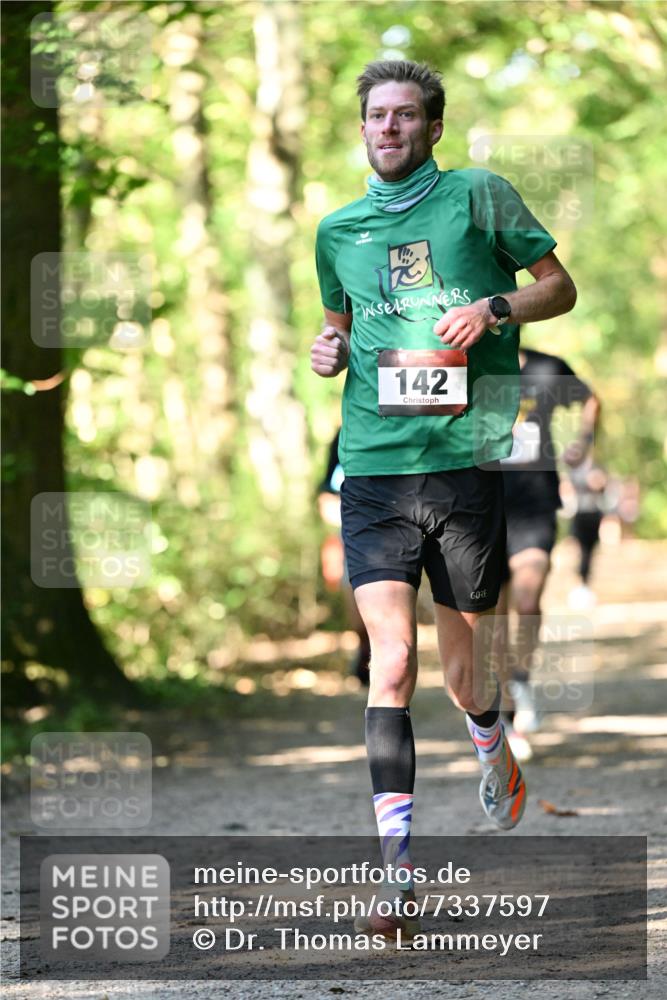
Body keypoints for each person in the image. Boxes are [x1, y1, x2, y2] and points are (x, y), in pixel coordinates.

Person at [310, 59, 576, 940]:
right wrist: (327, 350)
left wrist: (496, 307)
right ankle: (396, 879)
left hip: (465, 464)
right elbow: (342, 329)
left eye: (404, 116)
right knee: (389, 662)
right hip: (374, 468)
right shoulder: (337, 229)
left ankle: (492, 743)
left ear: (431, 126)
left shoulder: (478, 196)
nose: (386, 129)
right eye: (374, 116)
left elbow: (557, 287)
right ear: (361, 128)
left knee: (466, 678)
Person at [496, 347, 600, 760]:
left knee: (528, 595)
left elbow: (591, 398)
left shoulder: (547, 368)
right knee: (494, 614)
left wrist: (583, 443)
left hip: (535, 501)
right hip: (480, 504)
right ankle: (504, 714)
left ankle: (520, 678)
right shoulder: (465, 362)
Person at [318, 429, 371, 684]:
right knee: (354, 594)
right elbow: (325, 494)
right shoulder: (342, 436)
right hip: (352, 529)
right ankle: (365, 649)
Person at [567, 457, 608, 609]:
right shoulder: (575, 471)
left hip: (593, 516)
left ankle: (584, 585)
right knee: (580, 552)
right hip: (580, 516)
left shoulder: (598, 467)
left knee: (588, 553)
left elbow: (602, 485)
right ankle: (579, 585)